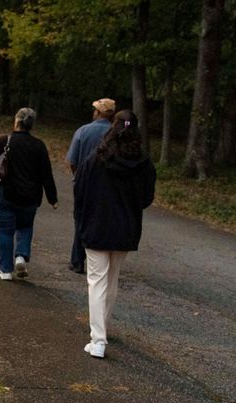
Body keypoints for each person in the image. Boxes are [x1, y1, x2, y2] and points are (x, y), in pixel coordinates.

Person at [74, 109, 155, 359]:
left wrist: (82, 219)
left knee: (96, 281)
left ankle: (98, 339)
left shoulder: (95, 158)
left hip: (97, 225)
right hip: (125, 228)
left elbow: (80, 190)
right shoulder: (143, 163)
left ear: (113, 126)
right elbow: (146, 197)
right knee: (112, 280)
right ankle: (103, 328)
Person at [0, 107, 57, 281]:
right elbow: (47, 174)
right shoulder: (39, 146)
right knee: (25, 226)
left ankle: (5, 270)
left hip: (5, 194)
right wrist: (53, 198)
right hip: (30, 196)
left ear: (16, 121)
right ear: (31, 124)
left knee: (5, 231)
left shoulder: (5, 141)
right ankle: (21, 256)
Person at [65, 97, 116, 275]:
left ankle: (77, 260)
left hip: (84, 183)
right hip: (109, 185)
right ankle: (103, 260)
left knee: (81, 218)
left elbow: (72, 160)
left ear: (97, 112)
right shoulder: (115, 133)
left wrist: (77, 175)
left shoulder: (83, 131)